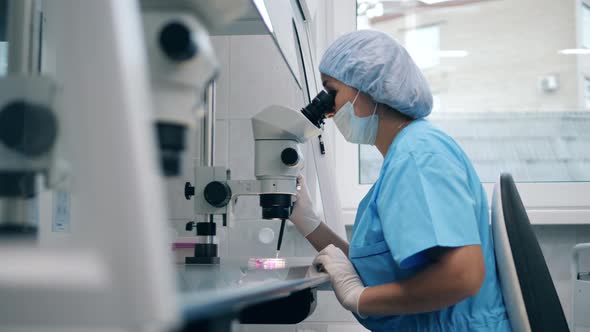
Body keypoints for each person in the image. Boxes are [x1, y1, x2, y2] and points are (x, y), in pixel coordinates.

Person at [290, 30, 511, 331]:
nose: (327, 112)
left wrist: (360, 298)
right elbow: (378, 271)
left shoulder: (417, 156)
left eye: (331, 93)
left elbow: (462, 275)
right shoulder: (406, 154)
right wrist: (308, 221)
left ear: (368, 88)